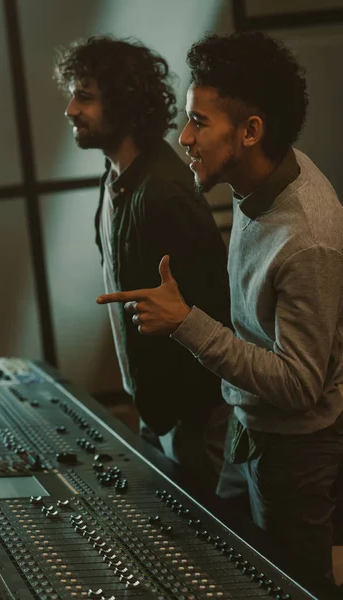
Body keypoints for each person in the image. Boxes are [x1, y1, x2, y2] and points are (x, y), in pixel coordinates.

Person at [96, 31, 343, 579]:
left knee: (293, 586)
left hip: (293, 453)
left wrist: (186, 323)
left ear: (251, 131)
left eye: (200, 122)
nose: (183, 136)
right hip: (248, 429)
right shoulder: (257, 182)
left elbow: (301, 386)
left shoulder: (306, 237)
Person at [54, 36, 231, 490]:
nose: (71, 109)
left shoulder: (165, 193)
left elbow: (213, 315)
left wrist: (184, 420)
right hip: (160, 411)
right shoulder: (115, 179)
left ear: (125, 105)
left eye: (85, 97)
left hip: (194, 417)